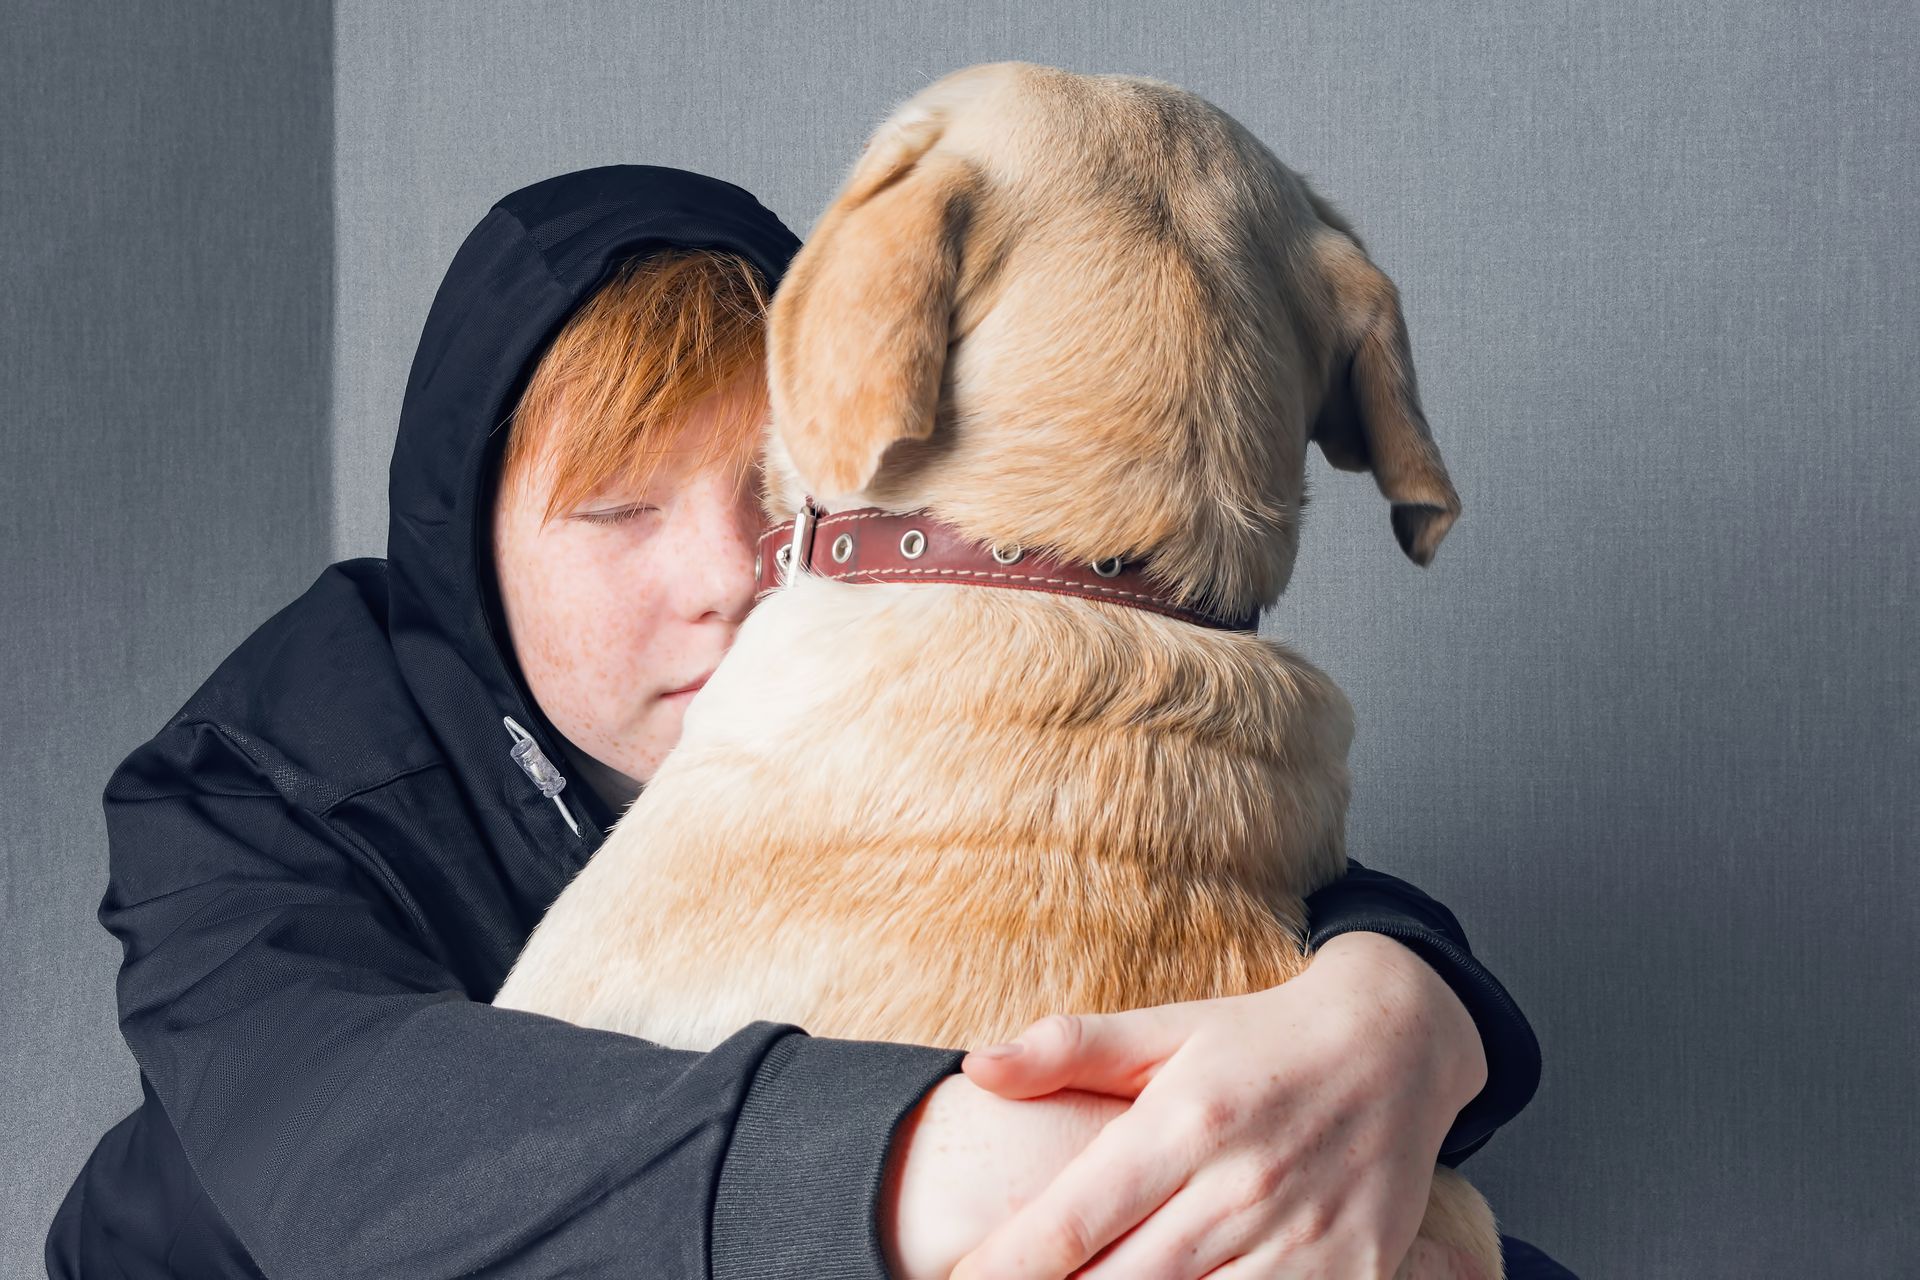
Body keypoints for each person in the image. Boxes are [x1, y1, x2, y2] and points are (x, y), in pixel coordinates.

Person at [47, 165, 1555, 1279]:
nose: (729, 581)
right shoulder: (255, 782)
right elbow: (350, 1133)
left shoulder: (895, 666)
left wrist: (1404, 1004)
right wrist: (920, 1165)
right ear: (465, 546)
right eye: (618, 510)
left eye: (785, 497)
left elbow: (1174, 839)